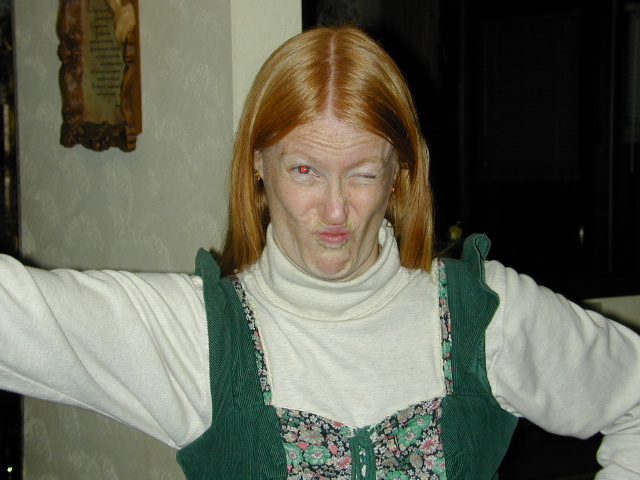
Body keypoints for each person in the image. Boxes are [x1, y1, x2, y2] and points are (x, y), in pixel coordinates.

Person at [1, 24, 640, 480]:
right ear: (258, 165)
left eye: (362, 173)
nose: (335, 211)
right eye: (304, 170)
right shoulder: (195, 335)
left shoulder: (487, 314)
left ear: (400, 175)